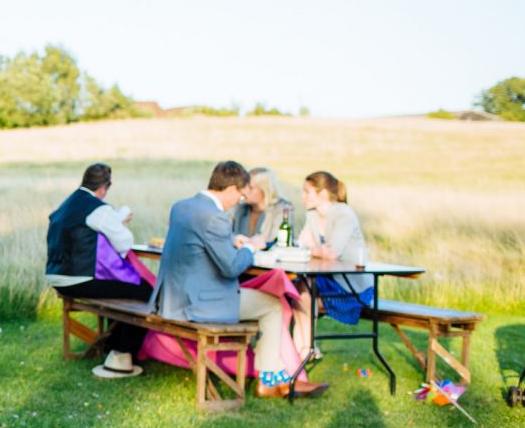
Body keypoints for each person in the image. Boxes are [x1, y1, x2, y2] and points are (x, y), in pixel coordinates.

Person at [150, 161, 295, 397]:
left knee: (261, 302)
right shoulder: (215, 217)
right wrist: (251, 248)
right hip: (200, 305)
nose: (237, 202)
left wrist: (231, 239)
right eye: (239, 196)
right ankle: (267, 378)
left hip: (171, 299)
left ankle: (270, 372)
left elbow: (199, 245)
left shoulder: (182, 206)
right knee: (273, 305)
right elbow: (231, 268)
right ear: (230, 189)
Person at [46, 162, 153, 378]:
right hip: (80, 279)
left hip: (56, 277)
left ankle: (111, 346)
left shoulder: (67, 204)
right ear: (103, 188)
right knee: (145, 291)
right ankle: (125, 352)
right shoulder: (98, 208)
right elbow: (124, 242)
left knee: (123, 290)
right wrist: (121, 224)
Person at [291, 170, 372, 355]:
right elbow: (302, 243)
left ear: (323, 194)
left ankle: (305, 348)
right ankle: (305, 349)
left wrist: (313, 251)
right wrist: (315, 251)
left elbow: (332, 253)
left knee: (302, 294)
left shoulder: (343, 214)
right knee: (299, 289)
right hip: (327, 279)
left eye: (307, 191)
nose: (302, 196)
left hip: (350, 286)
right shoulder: (312, 214)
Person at [232, 166, 295, 249]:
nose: (244, 191)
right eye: (244, 186)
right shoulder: (239, 207)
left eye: (250, 188)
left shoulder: (282, 209)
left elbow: (276, 243)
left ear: (265, 190)